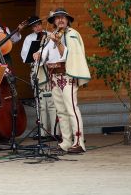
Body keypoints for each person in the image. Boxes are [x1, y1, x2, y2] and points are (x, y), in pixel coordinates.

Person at [33, 8, 91, 153]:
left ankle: (79, 142)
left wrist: (58, 42)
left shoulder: (72, 35)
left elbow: (66, 55)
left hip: (67, 76)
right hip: (54, 77)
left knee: (72, 109)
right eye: (57, 18)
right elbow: (45, 54)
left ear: (67, 20)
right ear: (53, 22)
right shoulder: (50, 36)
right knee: (60, 111)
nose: (60, 20)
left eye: (63, 18)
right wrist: (38, 54)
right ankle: (66, 142)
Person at [21, 16, 59, 139]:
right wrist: (34, 54)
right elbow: (24, 57)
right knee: (41, 103)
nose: (37, 27)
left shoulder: (49, 35)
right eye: (34, 26)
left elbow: (56, 51)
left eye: (38, 24)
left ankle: (55, 132)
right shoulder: (29, 39)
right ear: (32, 28)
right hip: (37, 71)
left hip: (50, 70)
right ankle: (42, 132)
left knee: (52, 103)